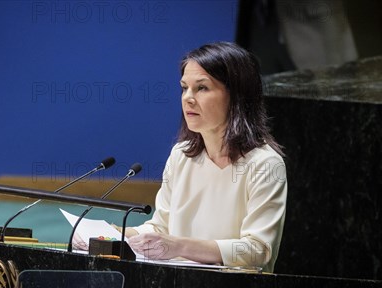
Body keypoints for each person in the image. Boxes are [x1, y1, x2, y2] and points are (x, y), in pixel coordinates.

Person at [76, 42, 287, 272]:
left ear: (236, 95)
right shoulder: (181, 155)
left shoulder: (265, 164)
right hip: (178, 286)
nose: (188, 98)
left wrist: (179, 246)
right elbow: (160, 228)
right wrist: (114, 236)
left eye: (202, 88)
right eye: (184, 87)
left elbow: (257, 250)